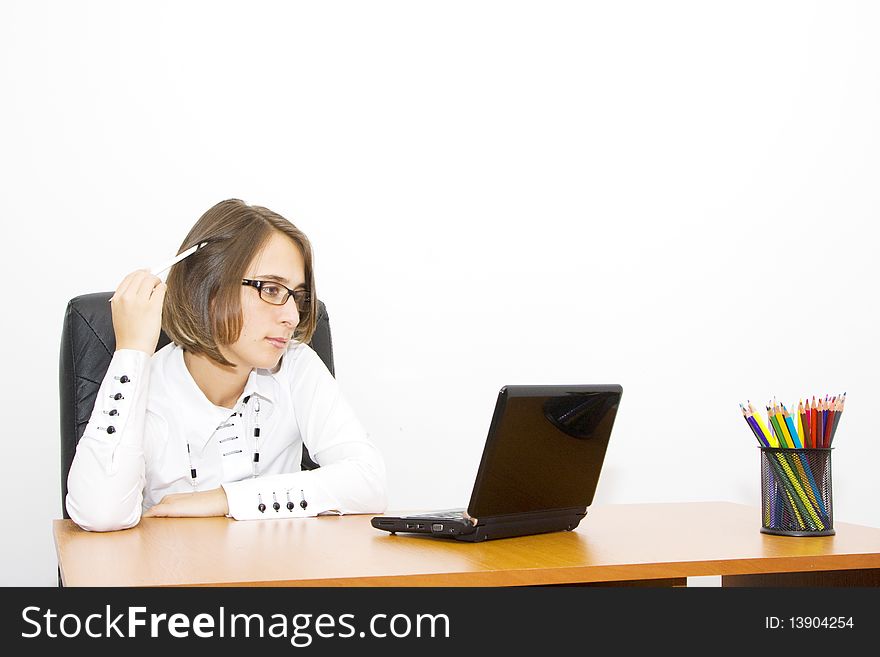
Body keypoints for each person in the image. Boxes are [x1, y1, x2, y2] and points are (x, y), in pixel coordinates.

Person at [66, 199, 387, 532]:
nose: (292, 316)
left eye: (297, 296)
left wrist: (225, 499)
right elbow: (99, 513)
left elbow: (370, 481)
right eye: (271, 289)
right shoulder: (147, 387)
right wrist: (131, 352)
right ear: (209, 288)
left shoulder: (295, 364)